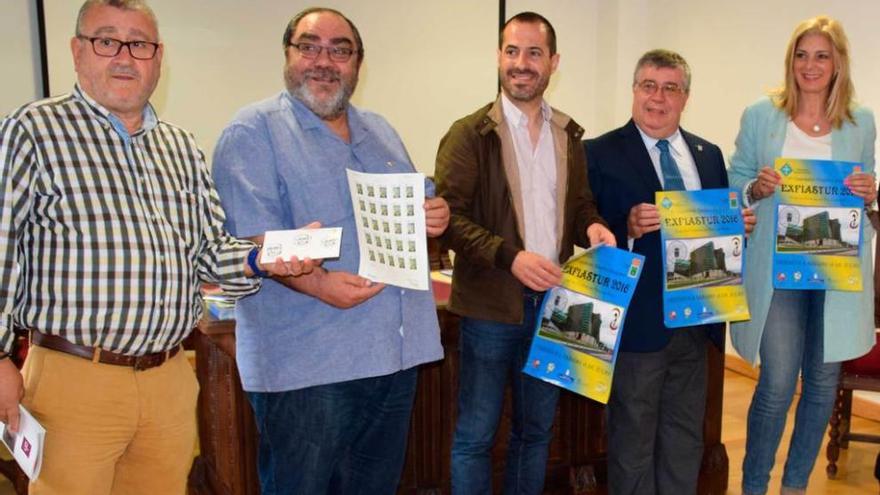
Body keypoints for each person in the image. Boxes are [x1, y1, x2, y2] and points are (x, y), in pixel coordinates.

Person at [0, 1, 310, 494]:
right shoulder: (34, 131)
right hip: (74, 377)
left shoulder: (181, 147)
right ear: (77, 51)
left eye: (139, 44)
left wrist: (262, 258)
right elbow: (1, 248)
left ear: (158, 57)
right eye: (106, 40)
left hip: (168, 378)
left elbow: (210, 252)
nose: (124, 56)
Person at [210, 7, 449, 495]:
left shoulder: (379, 129)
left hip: (394, 355)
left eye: (340, 50)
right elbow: (252, 241)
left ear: (358, 63)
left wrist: (434, 216)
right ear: (288, 55)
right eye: (309, 46)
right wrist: (319, 285)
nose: (324, 61)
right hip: (308, 366)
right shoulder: (251, 132)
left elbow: (413, 205)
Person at [435, 12, 614, 494]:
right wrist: (509, 256)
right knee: (475, 436)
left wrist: (593, 225)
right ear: (498, 58)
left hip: (555, 307)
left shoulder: (569, 135)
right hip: (489, 309)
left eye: (533, 53)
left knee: (536, 434)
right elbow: (449, 219)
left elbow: (578, 205)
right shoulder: (469, 133)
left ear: (553, 62)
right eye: (512, 51)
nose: (521, 63)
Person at [585, 49, 754, 495]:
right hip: (638, 324)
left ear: (685, 97)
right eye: (649, 86)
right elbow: (580, 227)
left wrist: (737, 228)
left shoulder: (709, 155)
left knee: (685, 439)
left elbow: (716, 233)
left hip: (697, 323)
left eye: (670, 88)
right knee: (632, 440)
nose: (658, 98)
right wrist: (625, 226)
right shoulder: (598, 152)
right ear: (635, 91)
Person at [728, 16, 876, 495]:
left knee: (820, 386)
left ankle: (795, 487)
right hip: (777, 273)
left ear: (838, 64)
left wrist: (869, 192)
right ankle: (754, 486)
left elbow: (865, 196)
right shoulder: (761, 115)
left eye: (821, 55)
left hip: (836, 274)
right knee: (775, 385)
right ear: (790, 60)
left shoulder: (861, 122)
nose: (810, 65)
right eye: (801, 54)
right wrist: (756, 187)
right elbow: (736, 183)